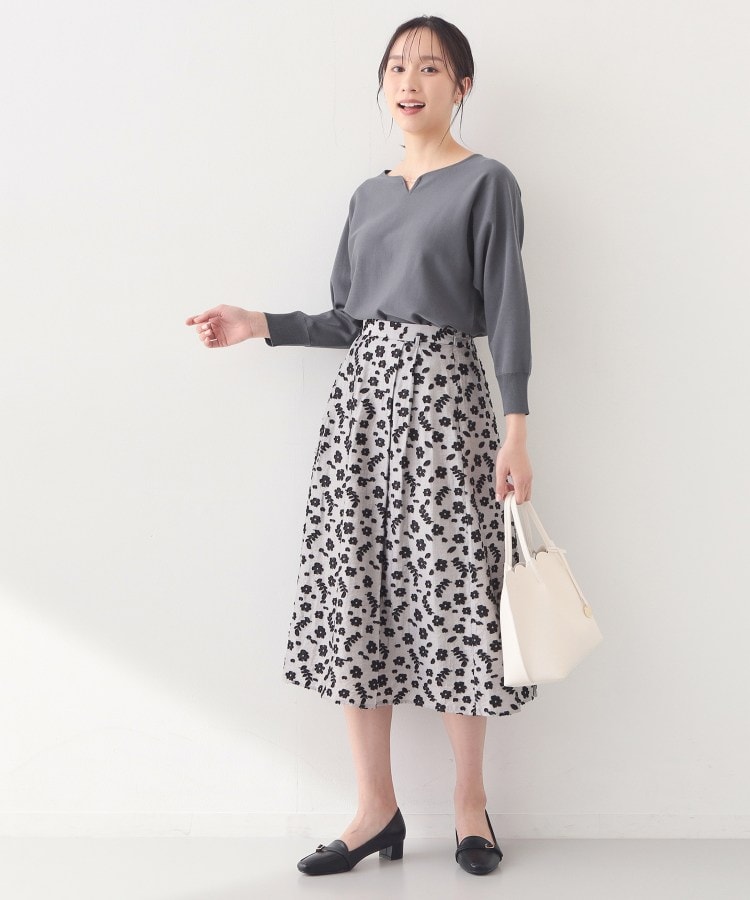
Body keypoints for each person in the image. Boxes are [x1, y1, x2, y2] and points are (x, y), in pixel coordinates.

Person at [185, 14, 538, 878]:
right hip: (361, 416)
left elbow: (508, 311)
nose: (409, 81)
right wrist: (257, 322)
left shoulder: (487, 183)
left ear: (462, 85)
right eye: (396, 67)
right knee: (354, 594)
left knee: (455, 595)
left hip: (449, 407)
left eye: (431, 67)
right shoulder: (368, 196)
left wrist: (517, 429)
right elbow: (348, 318)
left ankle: (470, 805)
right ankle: (375, 809)